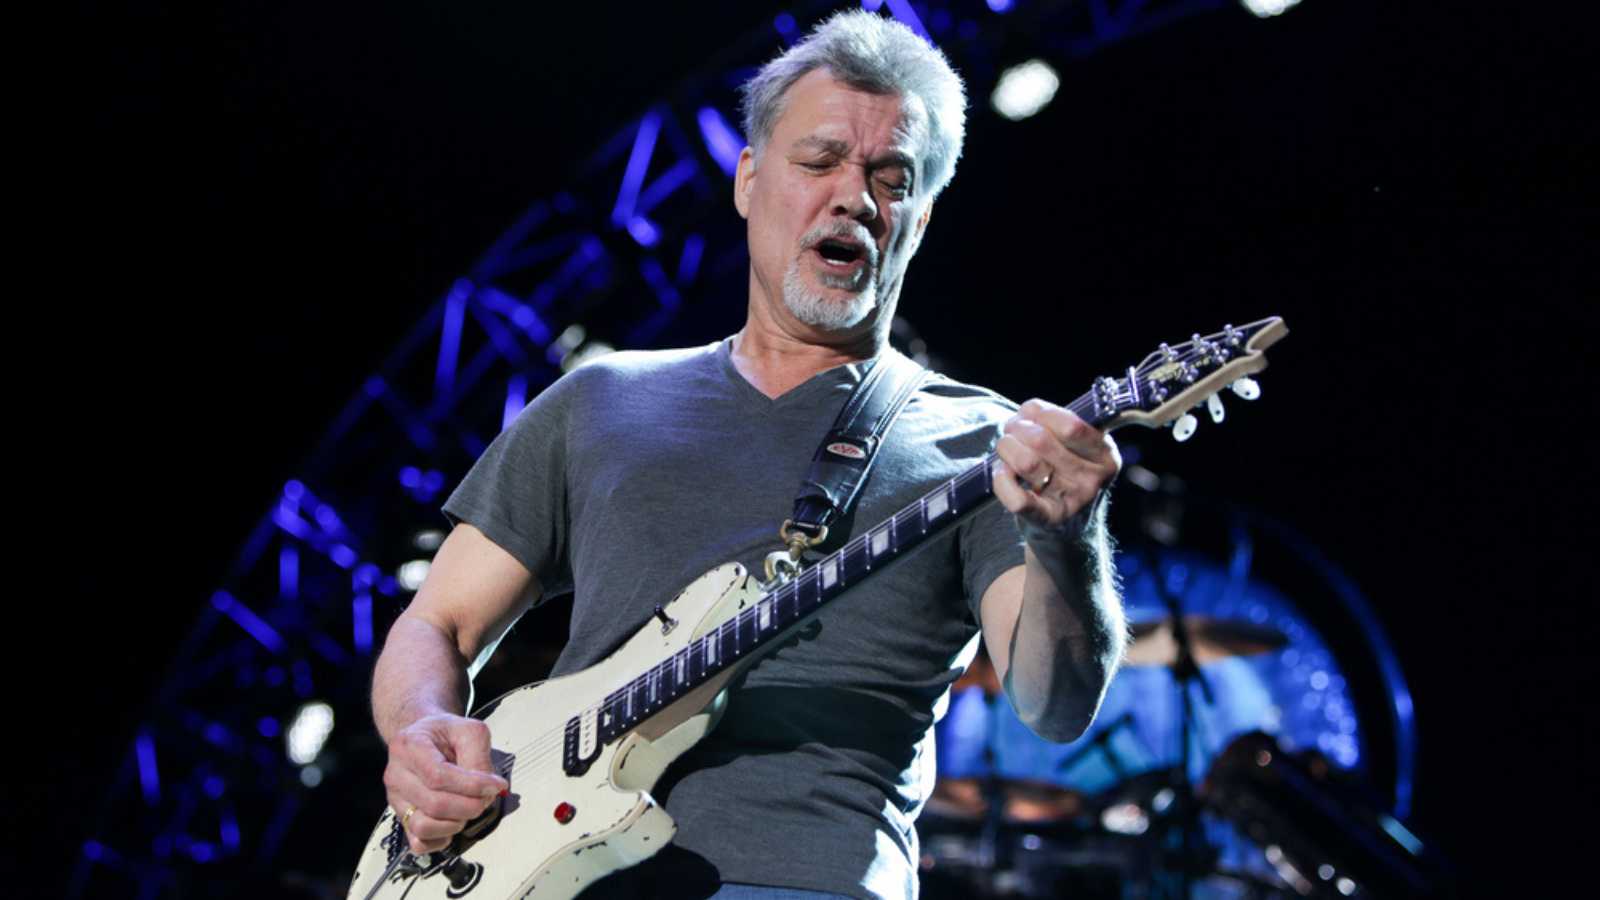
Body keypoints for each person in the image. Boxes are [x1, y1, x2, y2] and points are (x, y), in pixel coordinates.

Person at [369, 11, 1125, 900]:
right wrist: (421, 730)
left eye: (893, 178)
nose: (855, 197)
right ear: (748, 179)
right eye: (820, 161)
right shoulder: (599, 400)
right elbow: (438, 626)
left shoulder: (980, 445)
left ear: (920, 219)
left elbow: (1057, 703)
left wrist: (1071, 540)